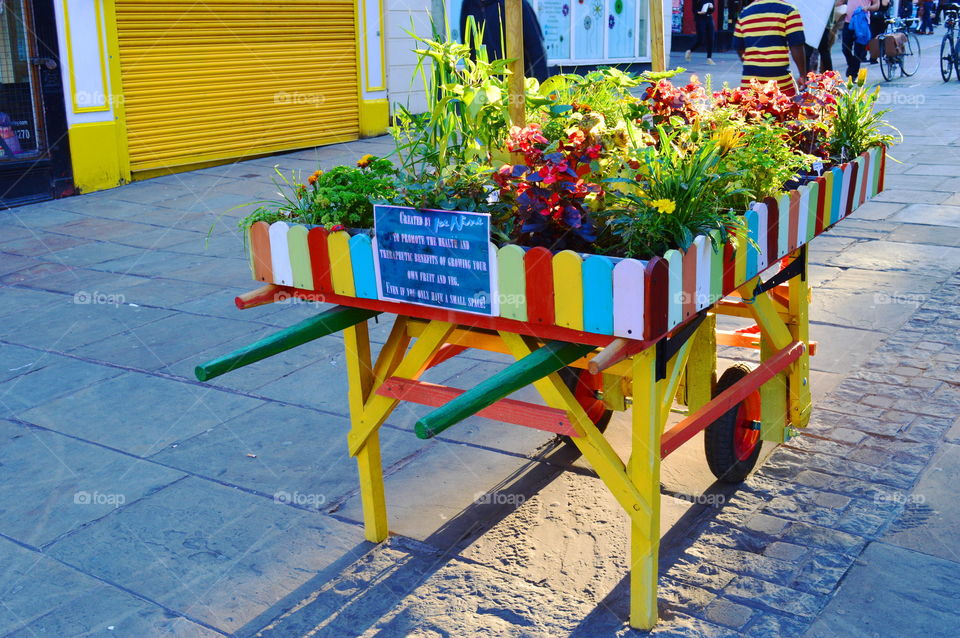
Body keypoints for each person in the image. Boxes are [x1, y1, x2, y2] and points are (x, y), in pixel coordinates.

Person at [459, 0, 549, 82]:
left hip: (517, 88)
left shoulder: (514, 3)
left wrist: (541, 87)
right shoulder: (469, 4)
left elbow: (536, 49)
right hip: (484, 88)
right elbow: (468, 48)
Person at [733, 0, 808, 95]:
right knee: (785, 107)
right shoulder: (789, 10)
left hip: (750, 83)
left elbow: (738, 46)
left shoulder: (745, 13)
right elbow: (796, 45)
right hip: (780, 83)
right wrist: (802, 75)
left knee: (750, 107)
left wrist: (752, 63)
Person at [842, 0, 881, 78]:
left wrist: (867, 8)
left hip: (862, 22)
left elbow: (876, 5)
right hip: (848, 21)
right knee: (845, 48)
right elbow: (840, 1)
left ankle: (853, 73)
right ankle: (851, 66)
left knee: (859, 50)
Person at [685, 0, 717, 65]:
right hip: (700, 19)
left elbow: (713, 10)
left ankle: (709, 58)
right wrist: (700, 12)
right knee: (701, 40)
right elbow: (694, 10)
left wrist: (711, 8)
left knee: (711, 38)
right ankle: (690, 51)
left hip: (709, 19)